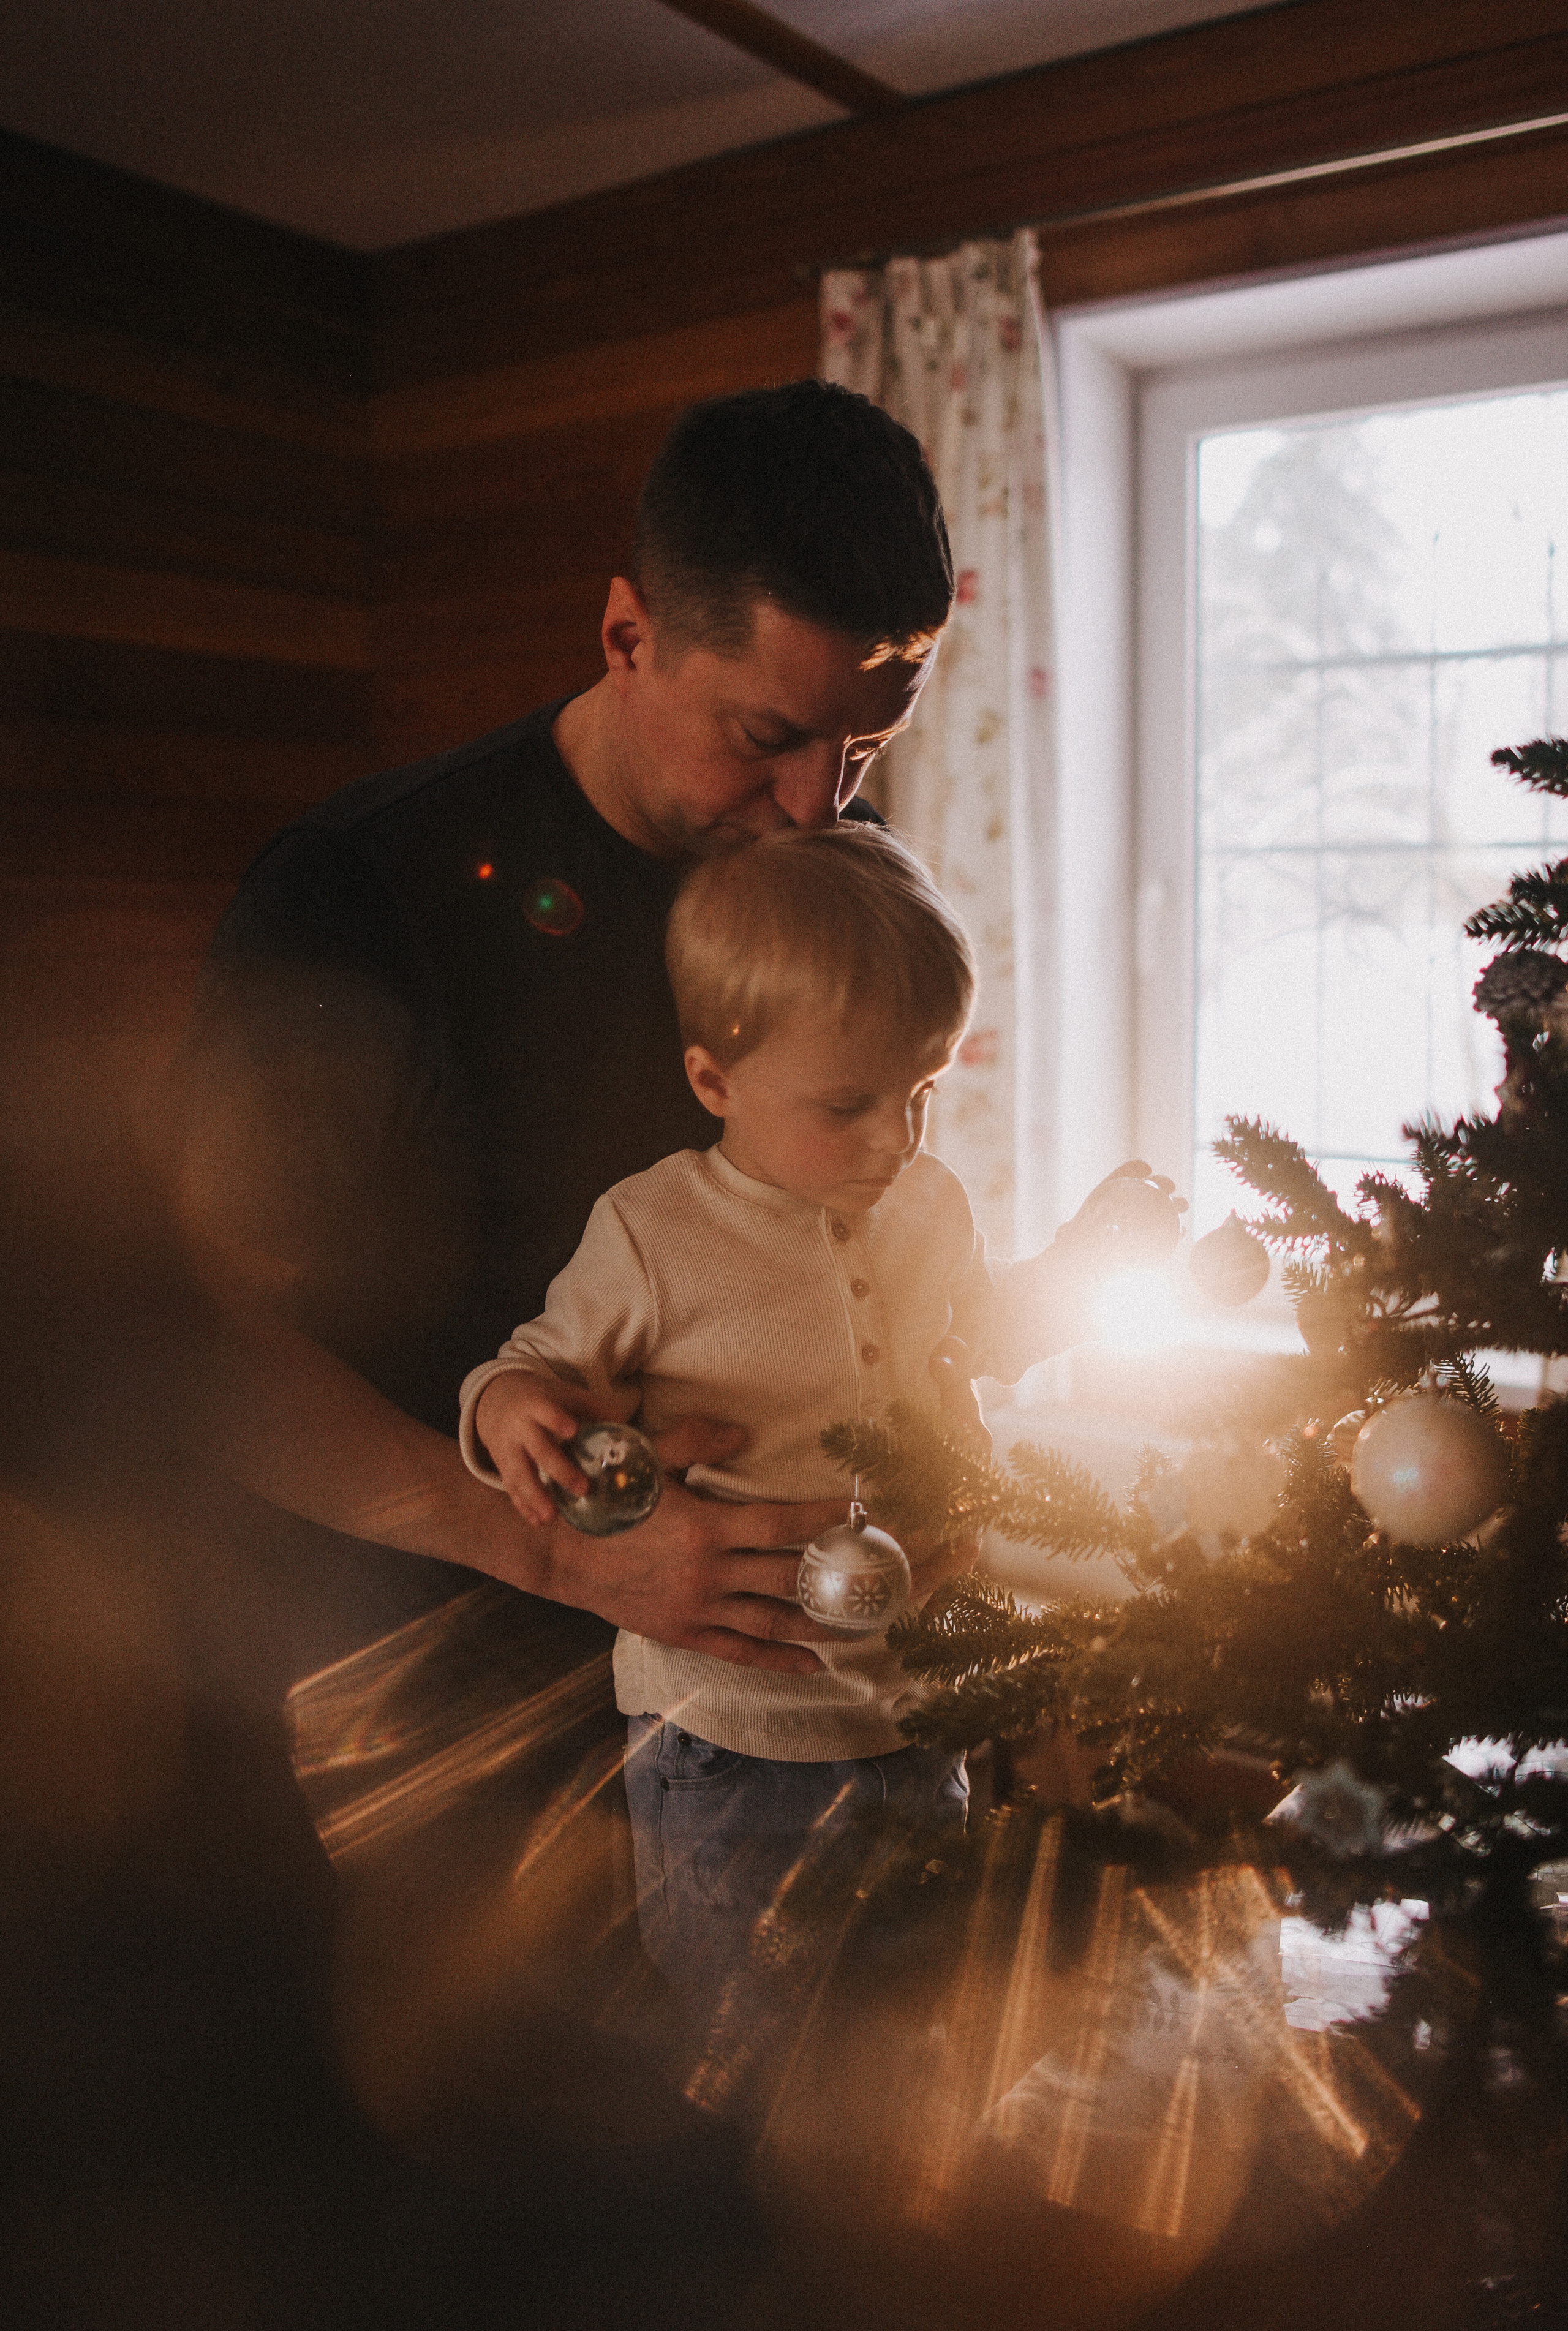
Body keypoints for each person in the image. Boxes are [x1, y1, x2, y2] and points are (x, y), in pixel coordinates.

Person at [176, 380, 959, 1679]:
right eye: (766, 736)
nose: (819, 808)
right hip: (419, 1685)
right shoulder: (358, 892)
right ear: (626, 635)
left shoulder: (834, 874)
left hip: (755, 1688)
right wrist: (555, 1553)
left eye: (865, 747)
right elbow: (196, 1347)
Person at [455, 825, 1181, 2030]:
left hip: (915, 1717)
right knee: (754, 2039)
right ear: (715, 1082)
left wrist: (1079, 1263)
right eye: (848, 1105)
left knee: (904, 2028)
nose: (898, 1137)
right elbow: (534, 1368)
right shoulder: (650, 1231)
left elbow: (981, 1334)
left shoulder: (928, 1203)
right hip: (731, 1739)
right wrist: (505, 1404)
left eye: (921, 1093)